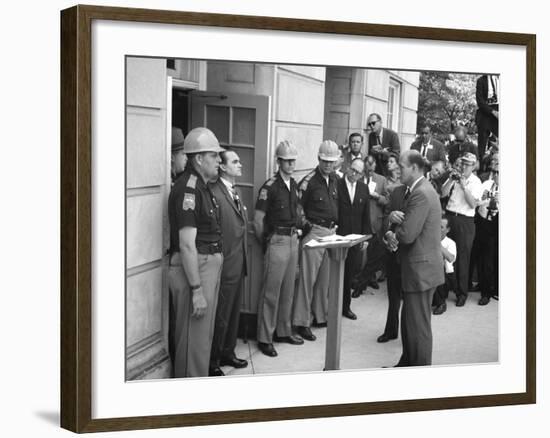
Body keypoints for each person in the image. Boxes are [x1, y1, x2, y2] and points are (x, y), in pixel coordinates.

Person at [167, 127, 225, 378]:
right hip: (196, 268)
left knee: (202, 340)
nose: (219, 161)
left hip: (205, 265)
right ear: (199, 159)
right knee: (193, 340)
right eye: (215, 155)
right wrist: (196, 290)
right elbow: (187, 244)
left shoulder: (202, 186)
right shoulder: (189, 188)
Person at [384, 150, 444, 367]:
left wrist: (392, 233)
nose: (396, 169)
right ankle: (407, 365)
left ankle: (419, 375)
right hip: (418, 269)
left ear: (415, 168)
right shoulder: (418, 190)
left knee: (418, 327)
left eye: (401, 166)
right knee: (410, 324)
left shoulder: (421, 193)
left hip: (421, 271)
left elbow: (408, 234)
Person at [254, 141, 305, 357]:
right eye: (287, 160)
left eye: (293, 160)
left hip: (293, 240)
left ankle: (283, 331)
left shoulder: (293, 184)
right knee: (271, 293)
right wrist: (268, 243)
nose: (291, 164)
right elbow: (258, 221)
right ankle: (265, 337)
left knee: (288, 291)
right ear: (279, 161)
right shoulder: (270, 187)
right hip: (277, 240)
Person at [293, 140, 340, 341]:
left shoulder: (335, 179)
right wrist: (307, 228)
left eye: (331, 161)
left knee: (324, 279)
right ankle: (302, 322)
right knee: (307, 281)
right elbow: (297, 209)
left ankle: (320, 316)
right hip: (315, 232)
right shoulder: (308, 181)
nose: (328, 164)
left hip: (331, 232)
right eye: (324, 161)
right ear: (318, 158)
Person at [208, 150, 249, 376]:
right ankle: (213, 360)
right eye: (235, 161)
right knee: (221, 315)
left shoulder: (235, 191)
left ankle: (228, 352)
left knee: (233, 313)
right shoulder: (214, 192)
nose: (240, 164)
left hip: (238, 262)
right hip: (224, 264)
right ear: (222, 167)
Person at [441, 152, 483, 307]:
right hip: (450, 216)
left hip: (465, 220)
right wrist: (451, 180)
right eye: (463, 163)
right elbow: (443, 193)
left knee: (463, 258)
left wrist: (464, 187)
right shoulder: (455, 176)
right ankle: (444, 289)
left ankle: (461, 292)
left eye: (467, 164)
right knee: (445, 252)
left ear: (473, 166)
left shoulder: (476, 182)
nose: (464, 166)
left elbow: (473, 204)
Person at [337, 158, 372, 320]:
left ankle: (346, 307)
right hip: (337, 236)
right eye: (352, 169)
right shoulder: (337, 185)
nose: (353, 173)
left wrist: (366, 237)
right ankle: (331, 307)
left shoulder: (364, 189)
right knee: (335, 273)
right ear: (347, 167)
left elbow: (366, 215)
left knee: (349, 273)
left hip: (355, 238)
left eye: (357, 172)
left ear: (361, 175)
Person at [352, 154, 389, 295]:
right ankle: (358, 282)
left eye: (372, 167)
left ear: (375, 166)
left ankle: (371, 279)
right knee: (360, 255)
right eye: (367, 168)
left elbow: (387, 200)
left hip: (375, 221)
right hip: (361, 221)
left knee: (374, 254)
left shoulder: (381, 180)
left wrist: (377, 197)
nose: (369, 171)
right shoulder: (358, 179)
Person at [377, 182, 407, 343]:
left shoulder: (423, 192)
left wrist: (399, 237)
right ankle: (391, 330)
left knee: (409, 299)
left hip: (410, 254)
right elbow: (386, 216)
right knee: (393, 295)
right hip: (393, 251)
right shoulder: (396, 192)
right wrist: (388, 232)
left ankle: (409, 335)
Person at [474, 153, 499, 305]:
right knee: (483, 258)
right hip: (484, 222)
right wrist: (483, 199)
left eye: (499, 173)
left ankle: (492, 289)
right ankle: (484, 290)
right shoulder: (486, 184)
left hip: (497, 223)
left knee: (494, 258)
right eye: (494, 172)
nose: (496, 175)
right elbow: (476, 202)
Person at [431, 215, 457, 315]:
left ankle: (441, 303)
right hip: (430, 271)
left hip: (445, 274)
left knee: (438, 273)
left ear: (447, 230)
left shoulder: (450, 243)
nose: (437, 229)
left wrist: (437, 244)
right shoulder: (429, 239)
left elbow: (451, 258)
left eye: (441, 227)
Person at [476, 74, 499, 161]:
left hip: (500, 112)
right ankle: (481, 168)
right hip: (486, 113)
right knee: (482, 145)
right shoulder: (481, 80)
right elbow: (480, 101)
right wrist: (493, 112)